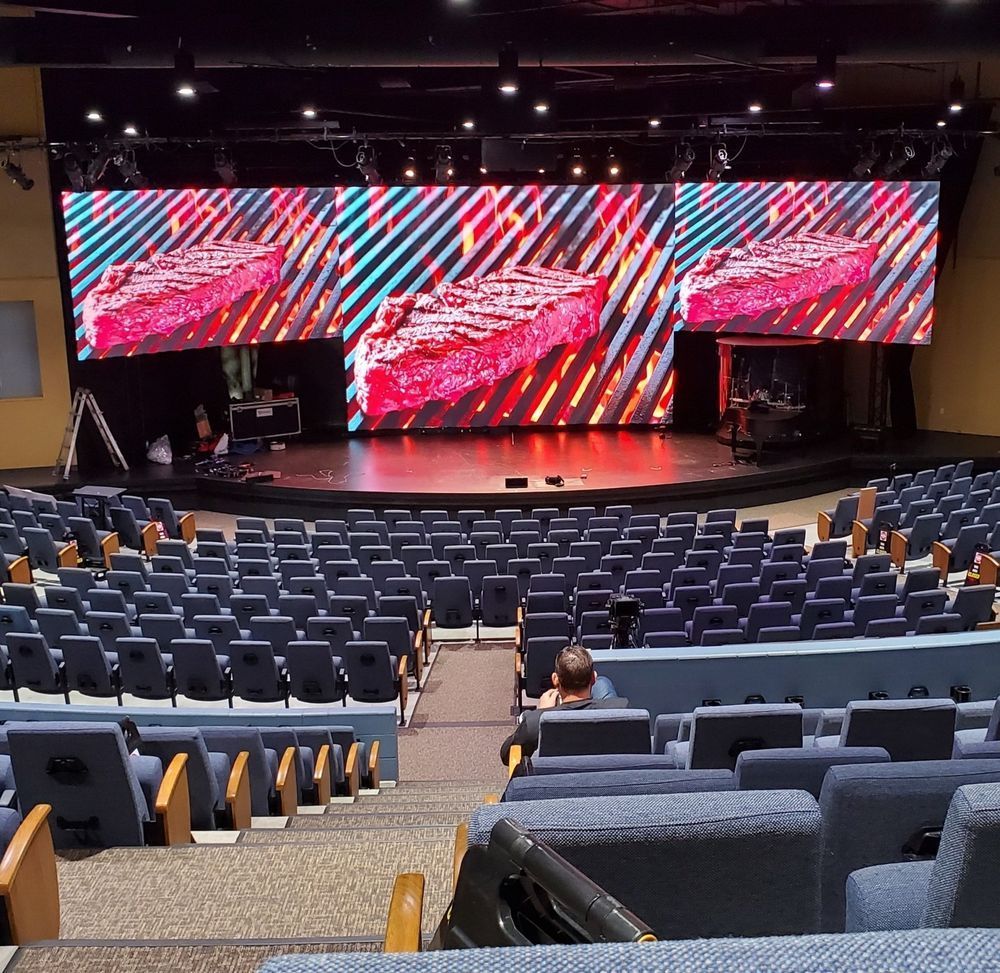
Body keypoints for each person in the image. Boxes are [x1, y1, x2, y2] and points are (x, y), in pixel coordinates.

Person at [499, 645, 628, 766]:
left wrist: (544, 713)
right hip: (608, 780)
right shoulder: (621, 710)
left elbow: (506, 755)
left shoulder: (535, 722)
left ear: (555, 680)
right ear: (593, 678)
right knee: (604, 683)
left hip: (554, 782)